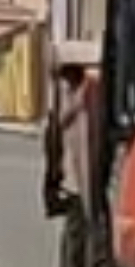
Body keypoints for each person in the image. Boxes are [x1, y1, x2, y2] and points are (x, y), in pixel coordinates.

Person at [41, 64, 92, 218]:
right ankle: (54, 199)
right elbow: (62, 118)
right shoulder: (66, 91)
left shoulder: (68, 89)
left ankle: (54, 199)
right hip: (73, 177)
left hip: (75, 171)